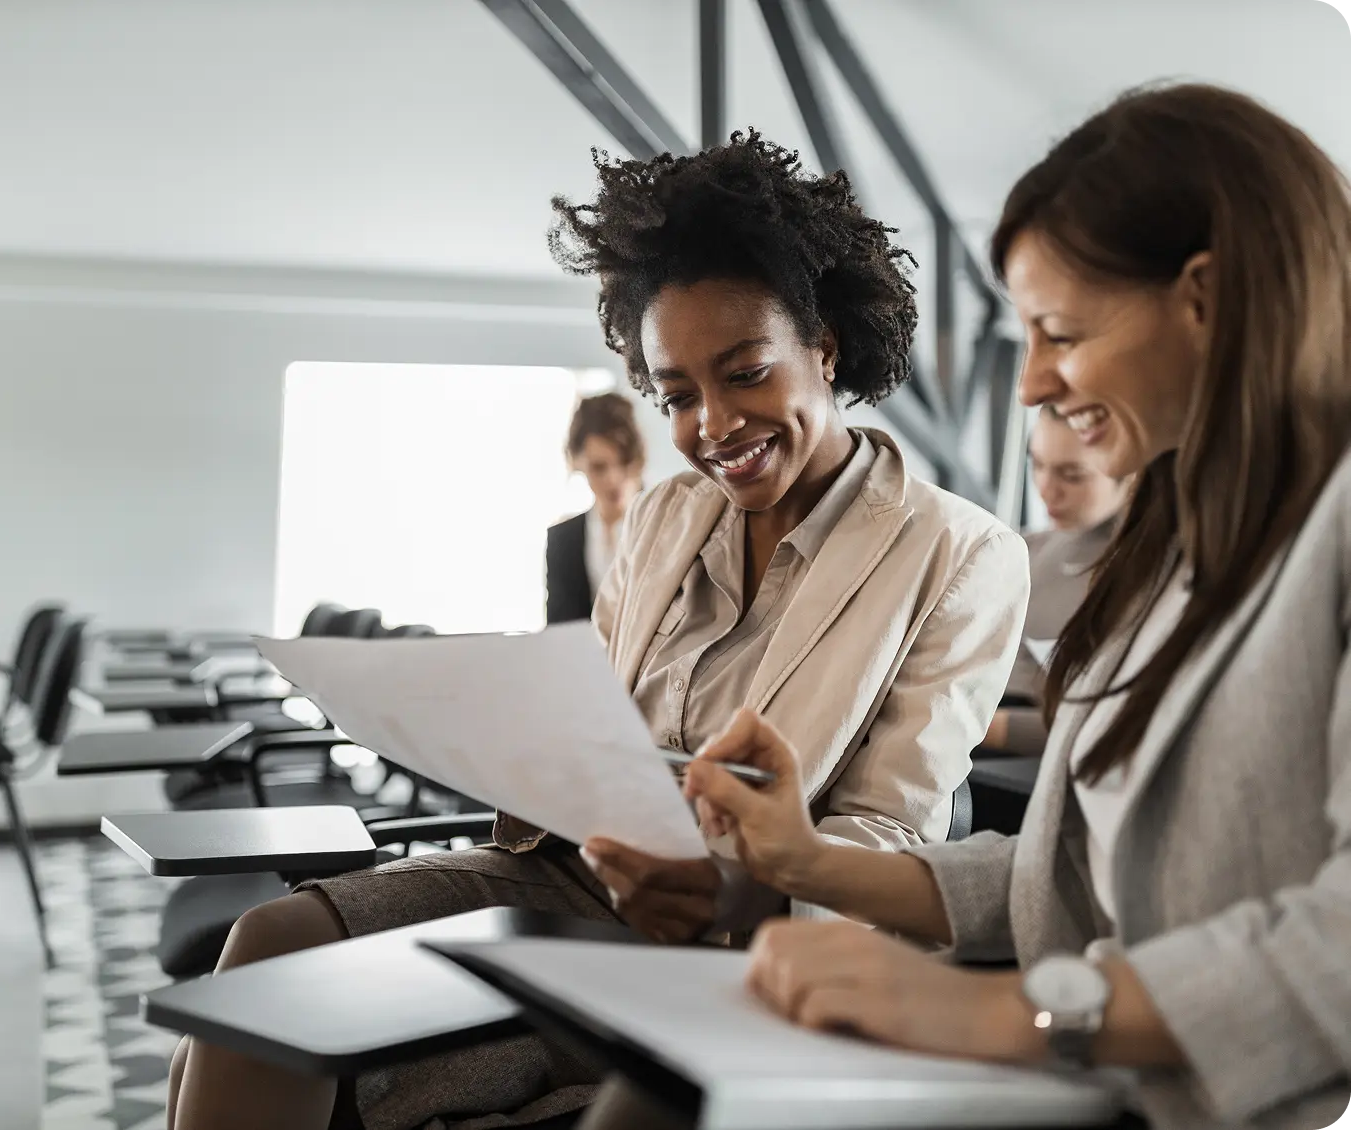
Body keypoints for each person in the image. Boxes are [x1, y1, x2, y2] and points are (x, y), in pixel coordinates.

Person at [167, 131, 1030, 1130]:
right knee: (266, 947)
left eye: (746, 373)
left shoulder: (959, 552)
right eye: (677, 396)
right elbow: (599, 735)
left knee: (307, 1021)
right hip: (574, 879)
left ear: (824, 348)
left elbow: (894, 833)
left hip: (753, 938)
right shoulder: (665, 517)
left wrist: (734, 889)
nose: (713, 424)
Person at [602, 83, 1351, 1130]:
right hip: (1116, 1069)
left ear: (1205, 299)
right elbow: (1059, 880)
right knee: (654, 1088)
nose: (1031, 383)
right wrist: (806, 861)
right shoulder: (1165, 551)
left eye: (1058, 332)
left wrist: (1007, 1013)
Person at [982, 404, 1125, 755]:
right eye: (1037, 464)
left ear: (1132, 471)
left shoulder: (1149, 578)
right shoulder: (1020, 549)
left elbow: (1114, 728)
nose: (1046, 489)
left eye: (1072, 475)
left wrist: (972, 726)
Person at [546, 393, 645, 624]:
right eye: (599, 467)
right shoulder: (562, 539)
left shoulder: (668, 527)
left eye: (624, 463)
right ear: (578, 463)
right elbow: (558, 628)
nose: (613, 479)